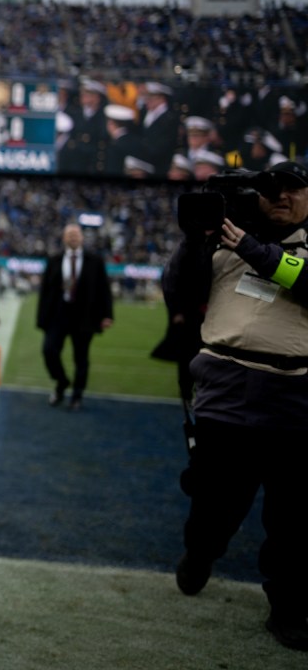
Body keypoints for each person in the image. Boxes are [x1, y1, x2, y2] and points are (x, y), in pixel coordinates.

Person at [165, 160, 308, 652]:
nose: (282, 197)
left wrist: (250, 248)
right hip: (225, 393)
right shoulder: (222, 241)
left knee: (293, 520)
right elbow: (177, 291)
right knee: (213, 505)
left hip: (296, 399)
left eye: (294, 189)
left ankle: (288, 608)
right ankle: (200, 553)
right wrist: (193, 241)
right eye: (272, 189)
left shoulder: (262, 244)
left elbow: (304, 278)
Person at [37, 223, 114, 409]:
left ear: (82, 237)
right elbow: (45, 291)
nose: (73, 237)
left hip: (84, 315)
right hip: (58, 313)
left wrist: (107, 315)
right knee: (49, 350)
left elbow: (104, 289)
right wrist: (42, 318)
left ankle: (77, 396)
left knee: (81, 358)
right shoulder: (54, 259)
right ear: (64, 238)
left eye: (76, 234)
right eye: (69, 234)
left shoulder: (95, 260)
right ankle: (62, 382)